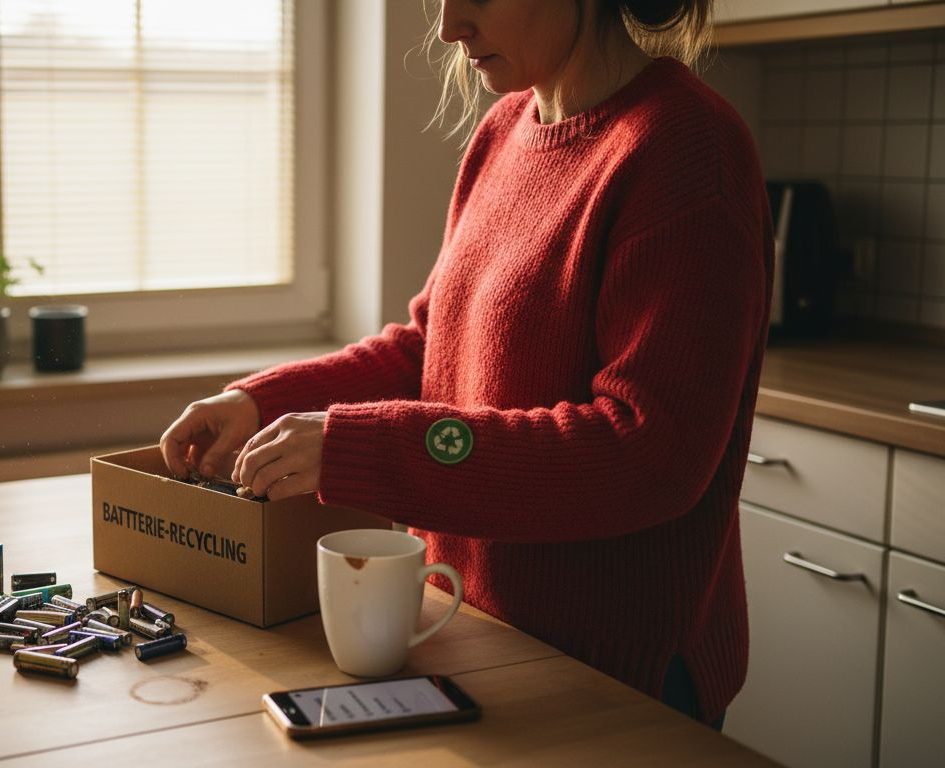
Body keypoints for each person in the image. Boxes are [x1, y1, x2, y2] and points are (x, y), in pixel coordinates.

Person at [160, 0, 770, 730]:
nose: (450, 25)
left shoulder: (685, 149)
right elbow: (430, 344)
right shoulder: (504, 131)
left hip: (614, 670)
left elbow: (646, 453)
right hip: (469, 629)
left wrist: (361, 446)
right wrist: (261, 402)